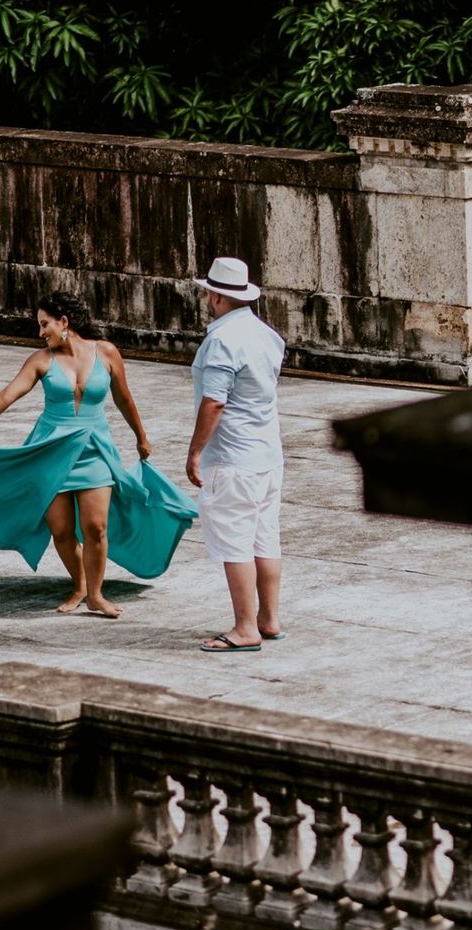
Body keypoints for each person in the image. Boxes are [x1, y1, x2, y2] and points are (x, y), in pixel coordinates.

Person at [0, 293, 197, 616]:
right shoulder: (41, 360)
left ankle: (96, 595)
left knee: (95, 527)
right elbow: (6, 396)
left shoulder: (106, 353)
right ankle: (79, 585)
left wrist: (141, 437)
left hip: (95, 449)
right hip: (50, 452)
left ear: (64, 321)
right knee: (60, 530)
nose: (40, 332)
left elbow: (124, 399)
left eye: (44, 324)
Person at [185, 257, 287, 653]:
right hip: (266, 454)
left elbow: (214, 403)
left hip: (232, 458)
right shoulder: (266, 335)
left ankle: (245, 627)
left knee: (235, 542)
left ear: (215, 296)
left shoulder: (221, 341)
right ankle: (269, 619)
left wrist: (195, 452)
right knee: (265, 538)